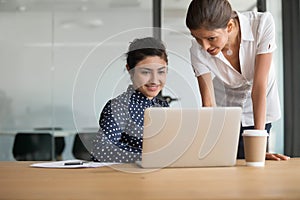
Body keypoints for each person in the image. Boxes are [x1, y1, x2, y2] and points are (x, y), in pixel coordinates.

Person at [185, 0, 289, 160]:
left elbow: (259, 87)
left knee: (254, 163)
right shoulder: (197, 51)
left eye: (211, 38)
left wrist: (259, 147)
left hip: (260, 109)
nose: (204, 47)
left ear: (230, 26)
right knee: (227, 165)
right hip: (226, 112)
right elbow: (209, 104)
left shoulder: (261, 24)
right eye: (198, 39)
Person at [92, 37, 169, 163]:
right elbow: (101, 151)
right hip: (127, 180)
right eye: (145, 72)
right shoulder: (119, 106)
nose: (154, 80)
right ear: (130, 70)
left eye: (161, 72)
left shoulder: (163, 106)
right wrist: (150, 156)